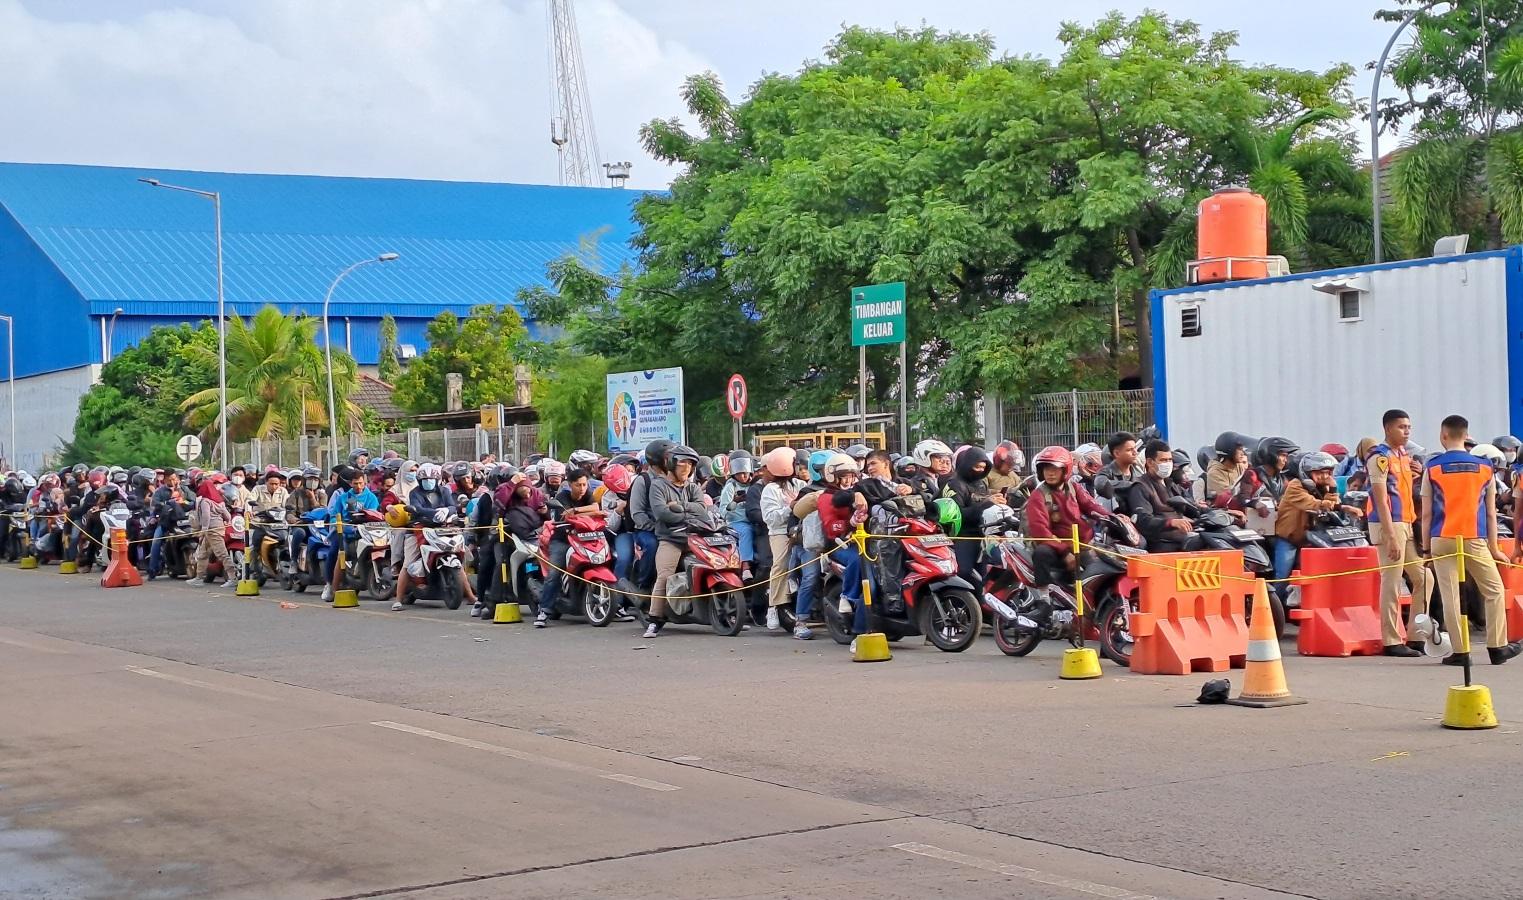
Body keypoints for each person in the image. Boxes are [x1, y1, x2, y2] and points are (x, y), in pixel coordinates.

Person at [1421, 415, 1523, 665]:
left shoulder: (1432, 467)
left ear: (1443, 436)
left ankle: (1460, 651)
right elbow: (1490, 512)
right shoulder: (1485, 467)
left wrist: (1425, 550)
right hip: (1474, 537)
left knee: (1451, 595)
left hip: (1442, 537)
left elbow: (1426, 513)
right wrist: (1494, 547)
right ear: (1466, 436)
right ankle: (1497, 647)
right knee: (1494, 590)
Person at [1366, 410, 1433, 652]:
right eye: (1401, 427)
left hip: (1407, 521)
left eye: (1408, 427)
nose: (1406, 432)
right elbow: (1381, 498)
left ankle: (1416, 635)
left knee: (1424, 578)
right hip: (1389, 524)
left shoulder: (1403, 455)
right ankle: (1391, 640)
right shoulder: (1379, 457)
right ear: (1387, 429)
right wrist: (1391, 535)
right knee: (1392, 581)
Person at [643, 444, 710, 638]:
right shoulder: (658, 485)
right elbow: (661, 513)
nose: (687, 468)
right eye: (682, 463)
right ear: (671, 464)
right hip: (671, 538)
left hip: (696, 537)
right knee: (664, 575)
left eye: (690, 464)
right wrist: (689, 512)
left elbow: (702, 510)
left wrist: (679, 506)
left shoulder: (693, 487)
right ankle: (654, 619)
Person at [1021, 447, 1110, 588]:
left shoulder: (1073, 487)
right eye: (1046, 469)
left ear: (1065, 470)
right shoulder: (1038, 496)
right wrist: (1064, 552)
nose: (1050, 473)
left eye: (1055, 469)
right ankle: (1043, 600)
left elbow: (1091, 506)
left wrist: (1112, 518)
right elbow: (1040, 532)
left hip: (1081, 544)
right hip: (1056, 546)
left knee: (1101, 574)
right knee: (1041, 553)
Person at [816, 454, 873, 635]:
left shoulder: (858, 493)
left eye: (851, 475)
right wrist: (851, 522)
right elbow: (831, 526)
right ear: (833, 476)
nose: (848, 480)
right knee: (858, 560)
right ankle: (847, 597)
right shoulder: (826, 497)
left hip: (862, 541)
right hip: (838, 545)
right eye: (844, 476)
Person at [535, 470, 600, 627]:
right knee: (555, 572)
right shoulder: (562, 497)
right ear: (570, 485)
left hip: (585, 538)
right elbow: (566, 515)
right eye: (578, 485)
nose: (582, 488)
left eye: (585, 484)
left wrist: (576, 510)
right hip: (562, 540)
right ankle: (544, 610)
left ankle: (616, 605)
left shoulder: (587, 494)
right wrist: (585, 511)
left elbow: (597, 507)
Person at [759, 448, 808, 637]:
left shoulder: (799, 484)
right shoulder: (770, 490)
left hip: (803, 530)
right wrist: (790, 508)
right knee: (780, 565)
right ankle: (773, 605)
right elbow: (770, 518)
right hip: (780, 533)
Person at [1121, 440, 1194, 552]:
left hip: (1184, 538)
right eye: (1163, 460)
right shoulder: (1140, 487)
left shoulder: (1172, 485)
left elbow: (1190, 505)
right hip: (1162, 543)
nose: (1168, 464)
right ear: (1150, 462)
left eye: (1170, 460)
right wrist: (1170, 522)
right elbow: (1143, 520)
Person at [323, 466, 379, 603]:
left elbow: (374, 515)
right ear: (350, 484)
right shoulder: (343, 497)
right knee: (338, 553)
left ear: (365, 483)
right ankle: (331, 587)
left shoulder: (372, 498)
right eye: (355, 483)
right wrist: (339, 525)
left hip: (365, 532)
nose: (358, 486)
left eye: (361, 483)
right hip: (344, 532)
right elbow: (334, 515)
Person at [940, 445, 996, 582]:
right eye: (977, 467)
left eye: (983, 468)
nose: (980, 471)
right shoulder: (954, 484)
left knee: (985, 575)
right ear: (967, 464)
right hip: (961, 537)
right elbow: (954, 516)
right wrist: (985, 505)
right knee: (965, 574)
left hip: (981, 535)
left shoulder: (981, 483)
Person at [717, 455, 757, 577]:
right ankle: (745, 566)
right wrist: (735, 502)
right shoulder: (730, 487)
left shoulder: (754, 486)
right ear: (734, 474)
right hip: (736, 522)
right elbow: (722, 511)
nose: (743, 476)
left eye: (745, 473)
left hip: (754, 519)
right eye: (739, 474)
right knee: (746, 531)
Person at [193, 480, 237, 589]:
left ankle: (232, 578)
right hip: (218, 528)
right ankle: (198, 577)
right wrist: (227, 522)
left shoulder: (205, 501)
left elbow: (206, 516)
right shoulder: (219, 501)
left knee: (221, 554)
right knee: (203, 554)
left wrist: (203, 529)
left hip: (212, 530)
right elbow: (227, 515)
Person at [246, 468, 288, 579]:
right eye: (271, 484)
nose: (274, 486)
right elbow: (249, 501)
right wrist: (248, 510)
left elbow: (287, 505)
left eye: (276, 484)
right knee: (253, 547)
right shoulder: (258, 489)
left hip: (277, 524)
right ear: (266, 483)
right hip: (260, 524)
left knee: (285, 541)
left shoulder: (283, 491)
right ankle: (248, 570)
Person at [145, 470, 188, 580]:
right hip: (166, 521)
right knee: (156, 541)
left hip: (184, 520)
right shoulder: (159, 492)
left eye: (175, 479)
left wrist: (183, 501)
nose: (173, 481)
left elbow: (193, 501)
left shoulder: (184, 489)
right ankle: (152, 570)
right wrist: (169, 502)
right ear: (165, 480)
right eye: (170, 479)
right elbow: (155, 505)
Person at [1095, 431, 1142, 501]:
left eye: (1135, 448)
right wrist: (1132, 485)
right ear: (1117, 453)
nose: (1135, 452)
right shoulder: (1105, 472)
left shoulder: (1139, 473)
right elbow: (1101, 485)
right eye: (1129, 450)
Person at [1205, 432, 1251, 499]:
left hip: (1240, 503)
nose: (1242, 453)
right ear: (1229, 450)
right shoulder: (1214, 473)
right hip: (1222, 507)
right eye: (1239, 449)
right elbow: (1228, 496)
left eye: (1242, 449)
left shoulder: (1239, 466)